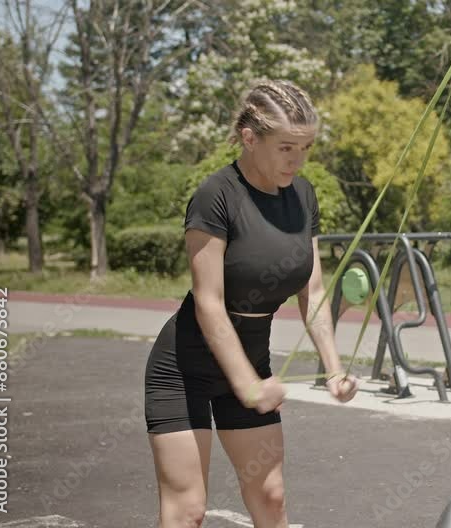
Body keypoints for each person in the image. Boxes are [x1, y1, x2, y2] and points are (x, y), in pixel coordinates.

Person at [143, 79, 358, 527]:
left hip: (250, 364)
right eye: (285, 147)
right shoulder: (216, 195)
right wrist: (247, 386)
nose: (297, 160)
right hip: (185, 369)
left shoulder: (303, 196)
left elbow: (313, 291)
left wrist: (334, 369)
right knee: (188, 511)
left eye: (306, 147)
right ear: (249, 137)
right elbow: (208, 303)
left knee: (271, 496)